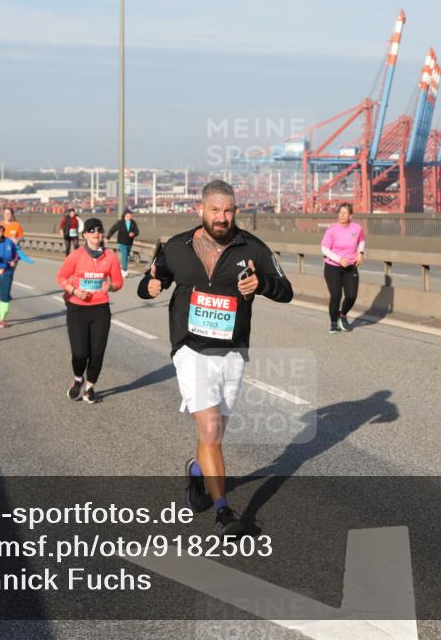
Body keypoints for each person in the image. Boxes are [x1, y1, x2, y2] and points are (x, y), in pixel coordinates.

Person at [138, 180, 293, 536]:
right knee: (209, 428)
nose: (222, 218)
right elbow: (152, 280)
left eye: (228, 211)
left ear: (235, 211)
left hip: (232, 352)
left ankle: (197, 470)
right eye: (215, 210)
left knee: (214, 434)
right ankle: (224, 513)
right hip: (191, 348)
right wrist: (149, 288)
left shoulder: (252, 247)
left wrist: (261, 286)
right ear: (201, 210)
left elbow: (285, 291)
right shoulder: (178, 247)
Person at [57, 217, 123, 404]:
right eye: (92, 230)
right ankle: (78, 379)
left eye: (99, 230)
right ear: (85, 234)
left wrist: (109, 286)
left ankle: (90, 387)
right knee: (80, 353)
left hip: (100, 309)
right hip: (77, 309)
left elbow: (118, 283)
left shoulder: (109, 257)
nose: (96, 233)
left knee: (97, 352)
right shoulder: (76, 255)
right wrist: (75, 291)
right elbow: (61, 277)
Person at [321, 202, 365, 333]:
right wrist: (339, 259)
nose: (342, 215)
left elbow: (361, 241)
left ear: (351, 216)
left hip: (350, 267)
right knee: (336, 296)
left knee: (351, 296)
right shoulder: (332, 230)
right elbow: (324, 248)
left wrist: (360, 253)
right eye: (340, 213)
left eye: (345, 213)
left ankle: (342, 314)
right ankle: (333, 323)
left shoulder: (357, 228)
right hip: (332, 267)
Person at [107, 209, 139, 278]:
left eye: (131, 214)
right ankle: (124, 271)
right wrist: (108, 237)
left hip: (129, 243)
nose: (131, 216)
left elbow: (137, 232)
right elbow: (113, 229)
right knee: (124, 256)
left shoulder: (133, 223)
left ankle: (122, 270)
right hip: (121, 242)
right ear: (125, 215)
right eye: (129, 214)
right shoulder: (120, 223)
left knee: (126, 257)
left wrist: (133, 234)